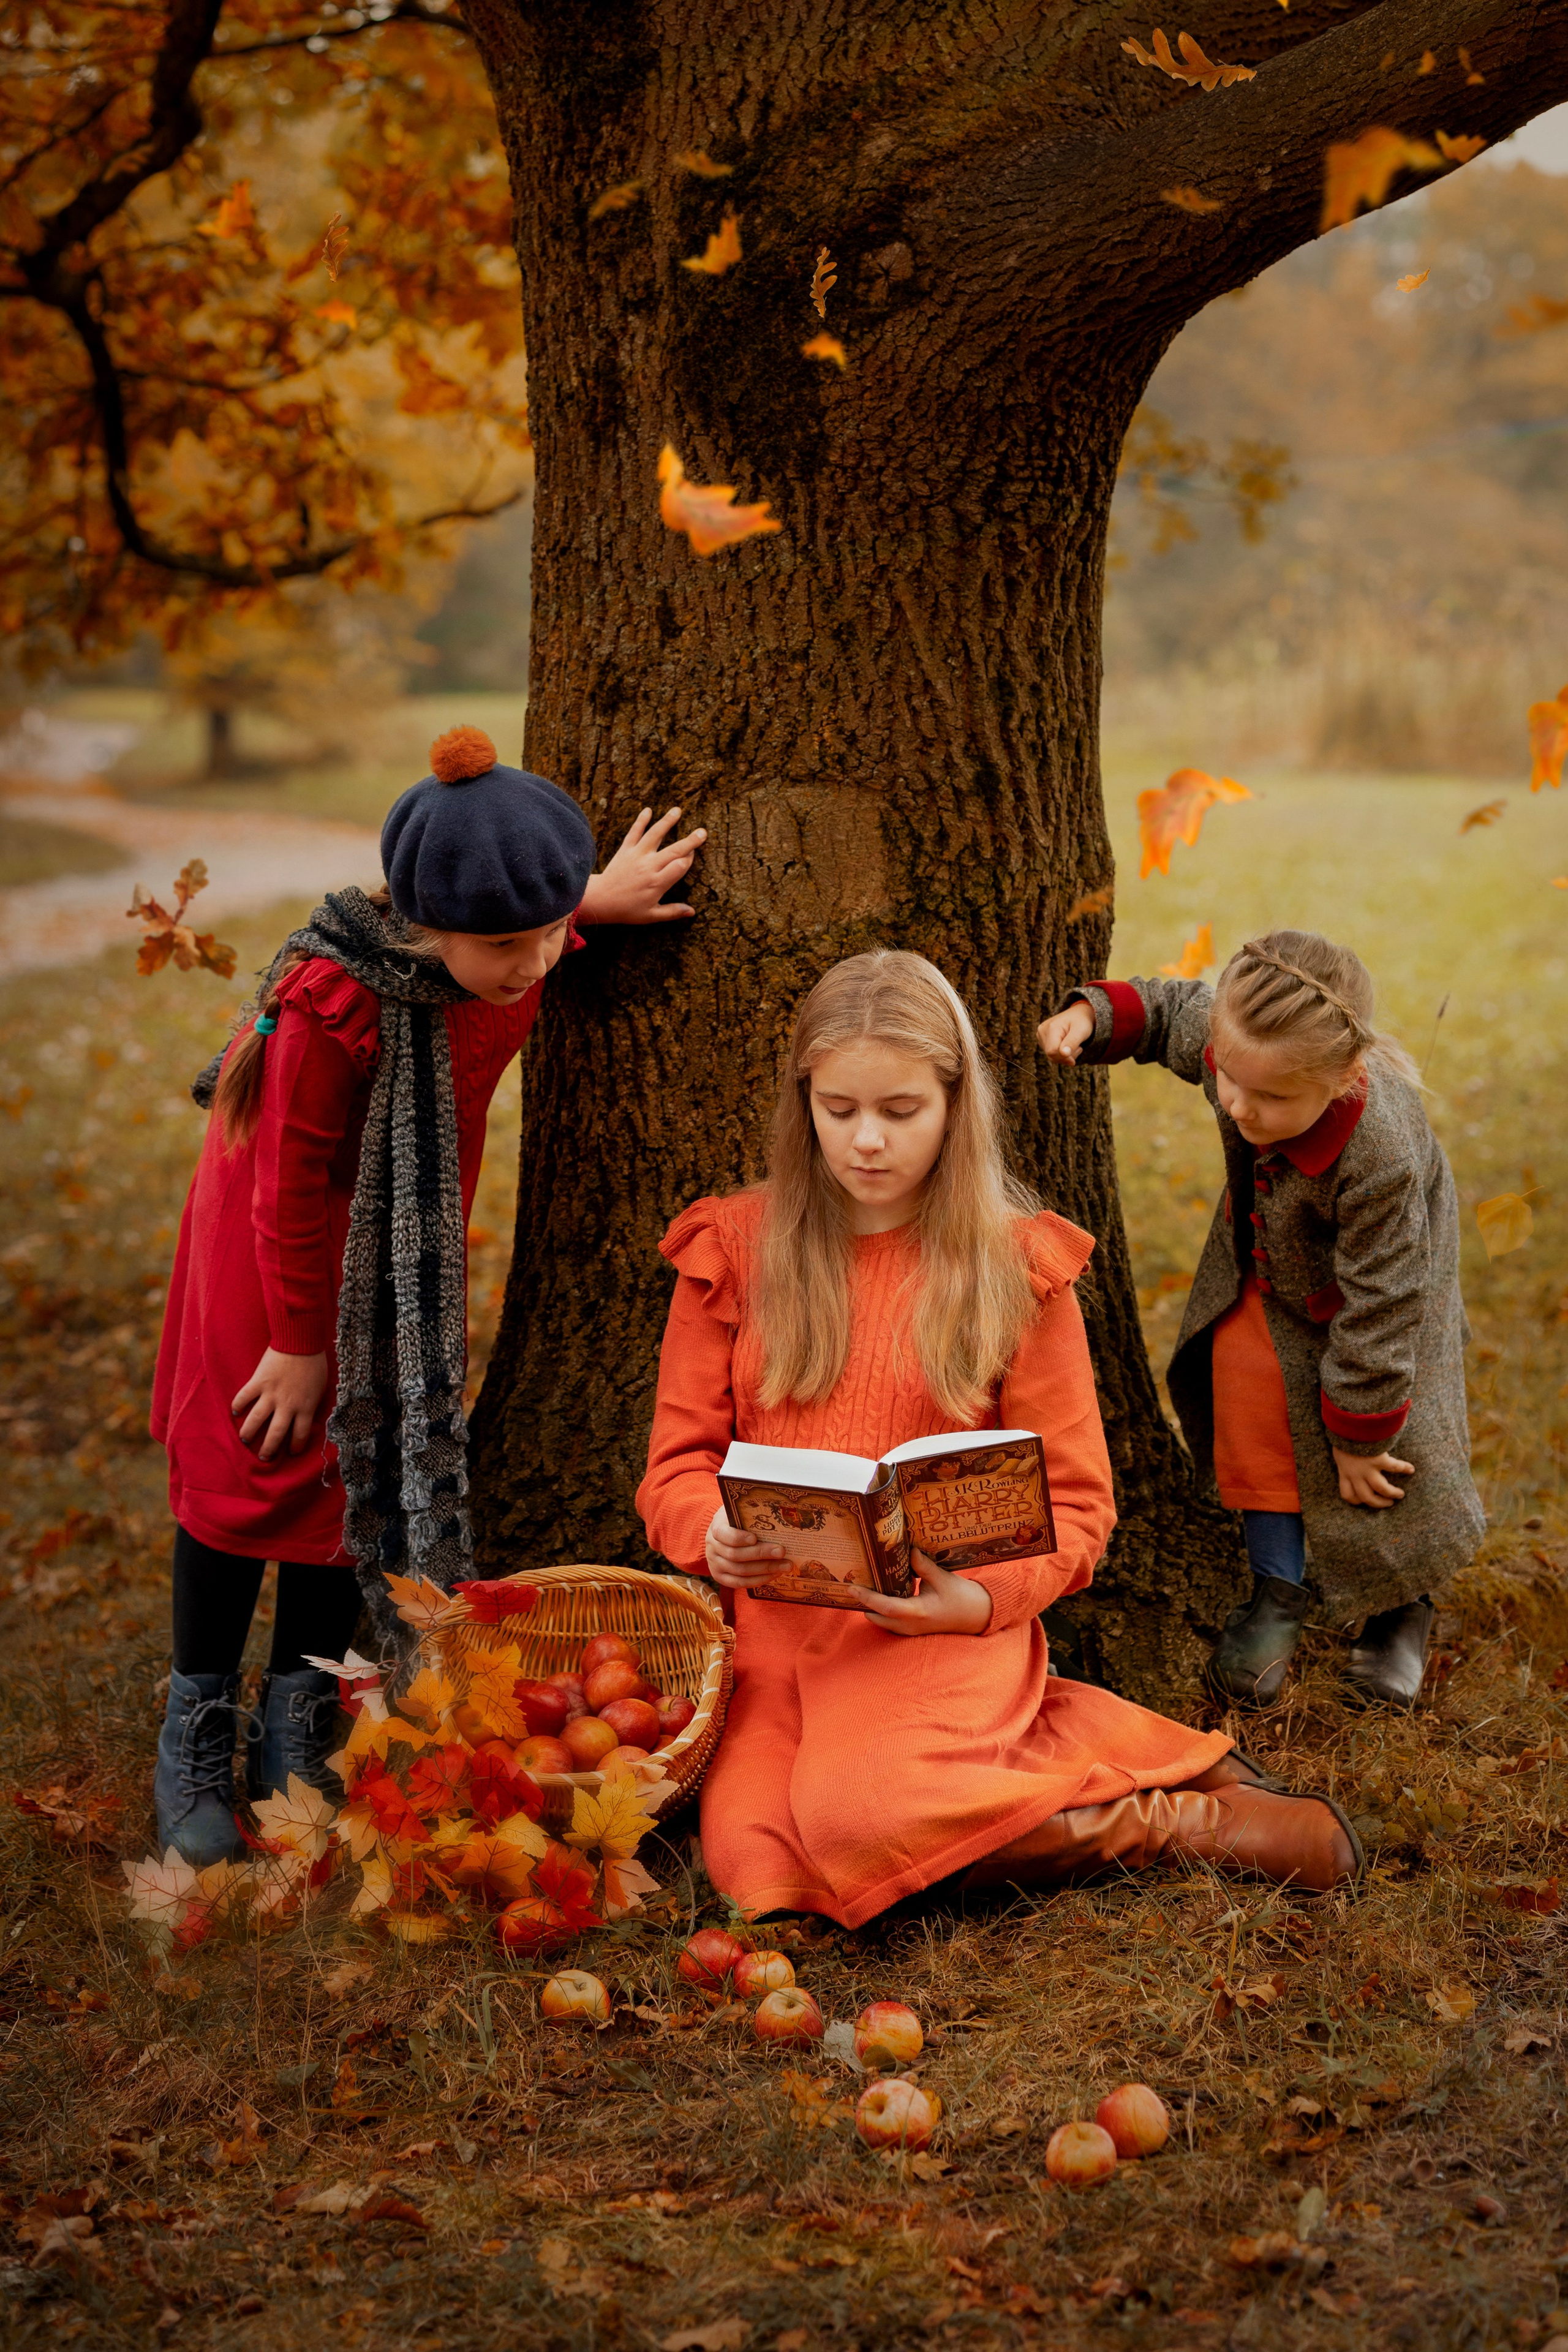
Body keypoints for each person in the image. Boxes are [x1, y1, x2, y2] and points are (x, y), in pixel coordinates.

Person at [636, 951, 1360, 1929]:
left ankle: (1172, 1820)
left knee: (861, 1824)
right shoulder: (735, 1248)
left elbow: (1080, 1506)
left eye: (901, 1110)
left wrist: (975, 1602)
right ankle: (1101, 1744)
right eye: (839, 1108)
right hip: (778, 1628)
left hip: (940, 1616)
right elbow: (678, 1465)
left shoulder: (1015, 1270)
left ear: (955, 1102)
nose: (866, 1142)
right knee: (759, 1869)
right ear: (803, 1099)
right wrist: (704, 1536)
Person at [150, 725, 704, 1864]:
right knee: (250, 1467)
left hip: (393, 1263)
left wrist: (594, 900)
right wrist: (302, 1344)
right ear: (423, 923)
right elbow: (291, 1191)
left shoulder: (498, 949)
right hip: (274, 1267)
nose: (540, 961)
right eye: (513, 941)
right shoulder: (336, 1008)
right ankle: (197, 1717)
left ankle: (296, 1718)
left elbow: (531, 921)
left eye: (554, 930)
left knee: (345, 1478)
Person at [1038, 930, 1483, 1713]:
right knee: (1250, 1398)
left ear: (1342, 1078)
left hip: (1388, 1292)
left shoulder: (1382, 1156)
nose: (1238, 1105)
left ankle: (1398, 1606)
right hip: (1273, 1267)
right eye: (1228, 1078)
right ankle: (1278, 1589)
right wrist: (1094, 1017)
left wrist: (1357, 1433)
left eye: (1270, 1098)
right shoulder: (1246, 1060)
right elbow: (1176, 1012)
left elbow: (1383, 1304)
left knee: (1390, 1453)